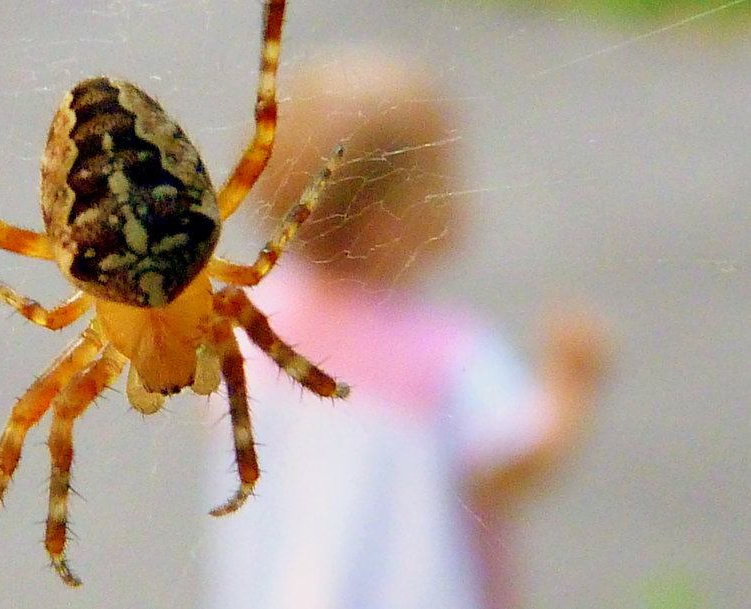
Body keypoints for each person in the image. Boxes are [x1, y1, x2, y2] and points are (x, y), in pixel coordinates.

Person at [201, 50, 608, 609]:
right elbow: (511, 465)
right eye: (442, 175)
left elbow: (210, 411)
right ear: (386, 219)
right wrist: (573, 382)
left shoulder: (244, 321)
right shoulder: (446, 356)